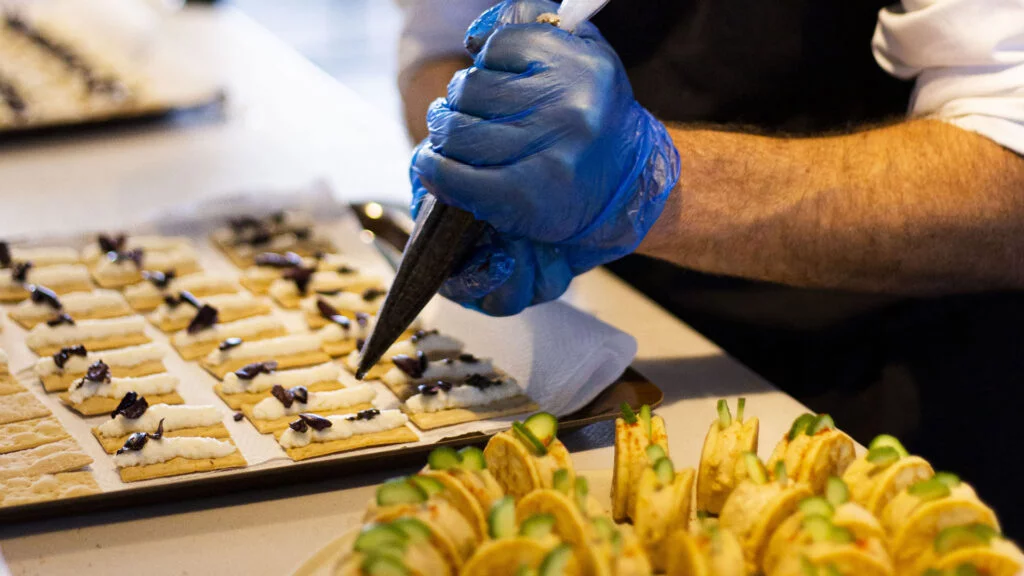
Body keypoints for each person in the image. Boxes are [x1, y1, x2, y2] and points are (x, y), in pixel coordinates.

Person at [395, 0, 1024, 536]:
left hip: (888, 393)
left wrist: (654, 184)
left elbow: (1010, 181)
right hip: (625, 367)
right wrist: (484, 154)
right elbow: (438, 45)